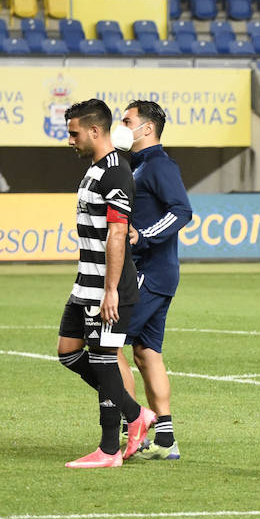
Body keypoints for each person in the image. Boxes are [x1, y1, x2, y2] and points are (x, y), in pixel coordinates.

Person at [55, 98, 153, 468]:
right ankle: (135, 414)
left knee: (103, 359)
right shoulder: (97, 169)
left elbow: (116, 234)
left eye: (74, 133)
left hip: (107, 288)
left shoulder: (115, 171)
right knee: (69, 353)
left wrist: (110, 290)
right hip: (85, 284)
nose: (70, 140)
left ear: (95, 131)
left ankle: (110, 448)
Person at [115, 99, 192, 461]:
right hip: (154, 273)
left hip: (151, 272)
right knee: (147, 354)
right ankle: (165, 441)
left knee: (108, 345)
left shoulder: (160, 165)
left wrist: (143, 236)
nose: (122, 125)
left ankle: (130, 426)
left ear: (147, 128)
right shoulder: (139, 165)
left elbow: (182, 210)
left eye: (127, 120)